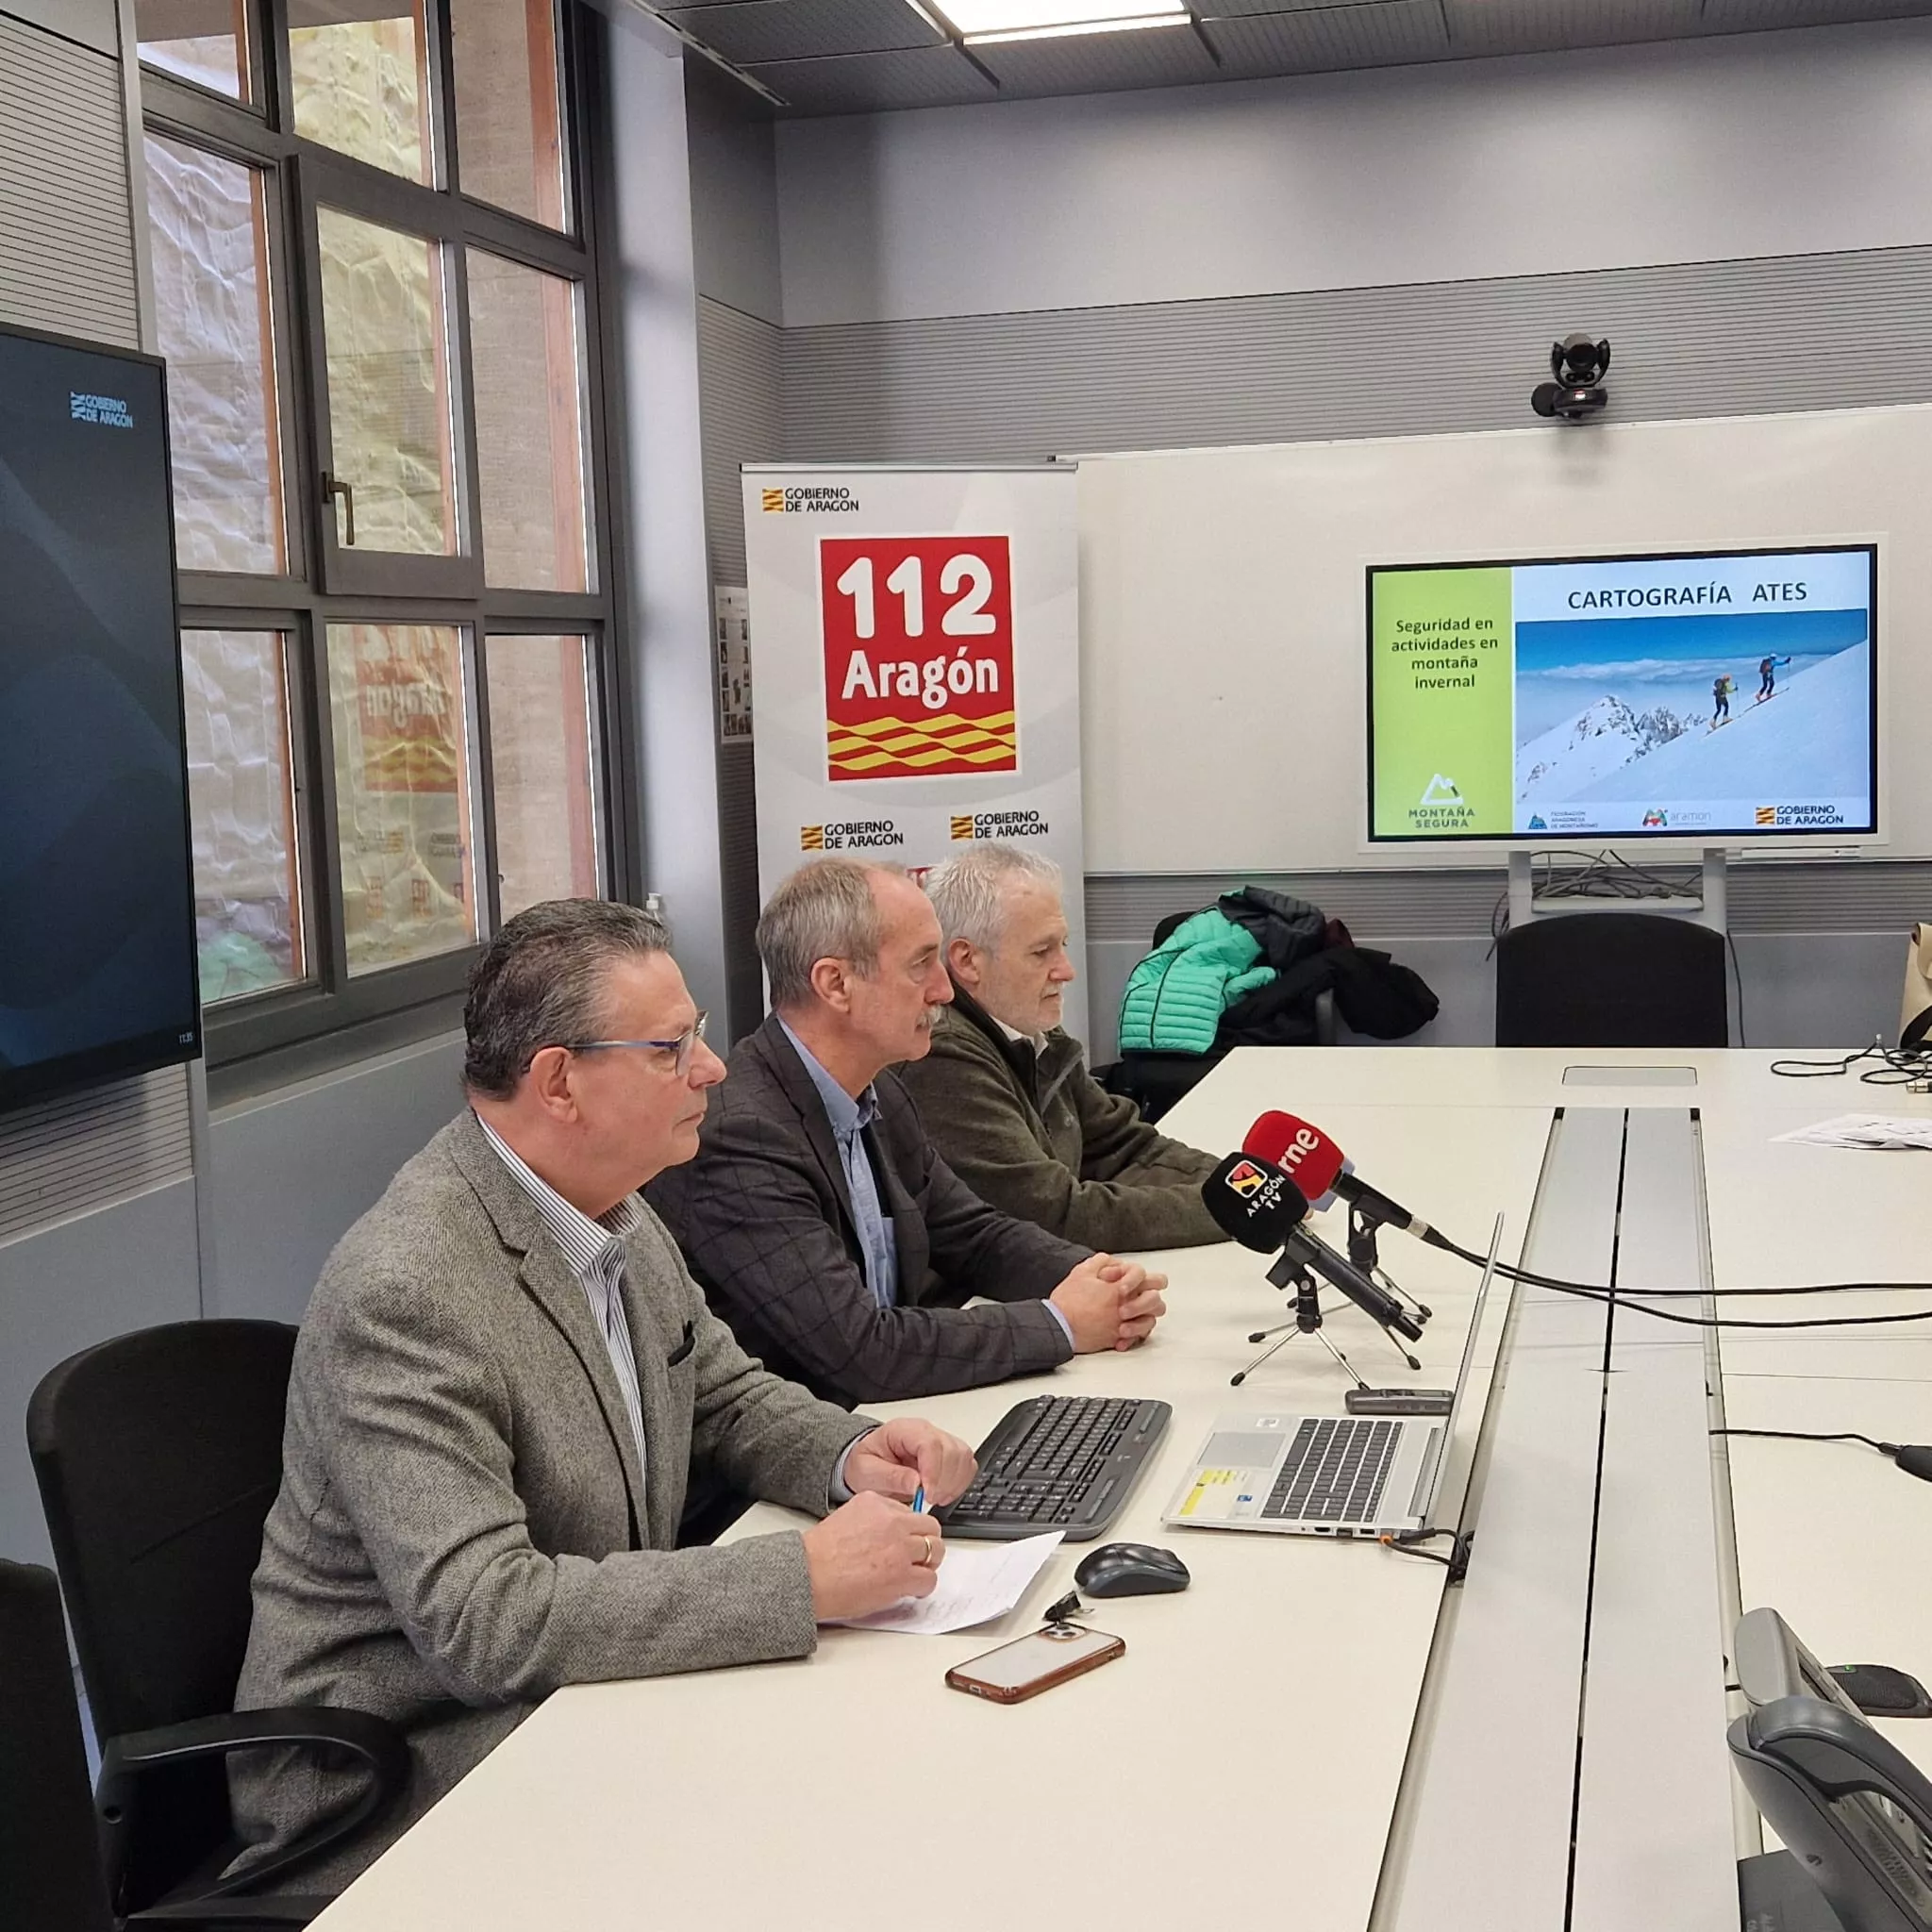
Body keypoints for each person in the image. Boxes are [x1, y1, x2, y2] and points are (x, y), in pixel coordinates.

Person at [228, 900, 976, 1891]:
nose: (711, 1068)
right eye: (672, 1048)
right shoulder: (406, 1289)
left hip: (560, 1698)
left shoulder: (610, 1205)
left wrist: (853, 1452)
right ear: (558, 1080)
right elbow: (486, 1621)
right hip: (399, 1771)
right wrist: (799, 1576)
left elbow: (725, 1394)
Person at [646, 859, 1168, 1407]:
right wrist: (1061, 1323)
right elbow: (863, 1353)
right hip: (801, 1467)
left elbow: (972, 1233)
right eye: (921, 965)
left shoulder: (880, 1091)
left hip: (894, 1426)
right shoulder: (743, 1136)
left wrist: (1100, 1281)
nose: (944, 990)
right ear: (836, 984)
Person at [900, 844, 1228, 1249]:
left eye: (1063, 946)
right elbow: (1052, 1216)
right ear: (967, 961)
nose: (1067, 971)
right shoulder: (943, 1056)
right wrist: (1232, 1209)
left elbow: (1121, 1147)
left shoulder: (1032, 1032)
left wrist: (1241, 1184)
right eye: (1042, 952)